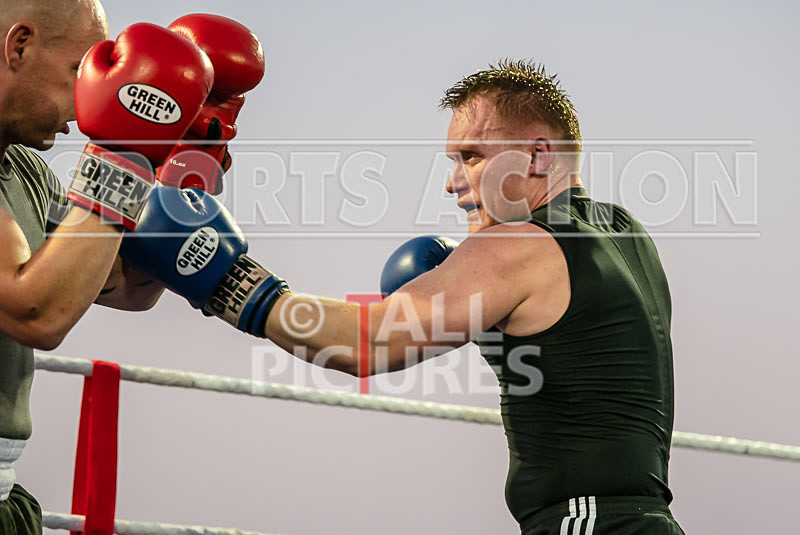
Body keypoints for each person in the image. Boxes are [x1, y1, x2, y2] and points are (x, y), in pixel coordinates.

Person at [121, 60, 684, 534]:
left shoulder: (518, 246)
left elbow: (365, 344)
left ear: (537, 156)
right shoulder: (626, 234)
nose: (451, 182)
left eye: (472, 156)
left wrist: (226, 280)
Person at [0, 1, 221, 532]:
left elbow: (127, 284)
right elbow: (36, 312)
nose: (83, 103)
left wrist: (185, 156)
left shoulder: (23, 171)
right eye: (79, 69)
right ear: (19, 45)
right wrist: (123, 150)